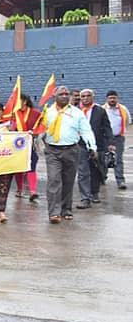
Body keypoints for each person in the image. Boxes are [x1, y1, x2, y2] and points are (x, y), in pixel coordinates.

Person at [41, 86, 97, 223]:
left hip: (71, 150)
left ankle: (66, 209)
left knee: (68, 181)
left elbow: (86, 131)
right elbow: (40, 130)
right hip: (53, 151)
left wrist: (92, 147)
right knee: (54, 180)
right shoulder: (47, 112)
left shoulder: (77, 113)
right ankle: (54, 213)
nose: (65, 96)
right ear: (55, 96)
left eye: (67, 94)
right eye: (61, 94)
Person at [76, 88, 115, 208]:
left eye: (88, 96)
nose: (85, 98)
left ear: (93, 97)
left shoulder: (100, 111)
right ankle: (85, 197)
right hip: (80, 145)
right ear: (80, 98)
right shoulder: (75, 111)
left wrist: (110, 142)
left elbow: (107, 127)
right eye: (83, 96)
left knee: (96, 170)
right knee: (83, 172)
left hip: (97, 145)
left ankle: (94, 193)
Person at [9, 94, 42, 201]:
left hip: (30, 144)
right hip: (16, 145)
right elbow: (10, 128)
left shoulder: (35, 114)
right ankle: (19, 189)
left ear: (25, 101)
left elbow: (41, 126)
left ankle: (33, 191)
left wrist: (36, 132)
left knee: (31, 166)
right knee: (18, 168)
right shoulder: (13, 114)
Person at [103, 90, 129, 190]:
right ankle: (102, 178)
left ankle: (120, 181)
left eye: (114, 98)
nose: (112, 100)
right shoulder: (102, 109)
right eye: (110, 98)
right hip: (105, 138)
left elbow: (127, 122)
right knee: (104, 159)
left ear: (117, 98)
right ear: (107, 99)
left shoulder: (123, 109)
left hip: (118, 138)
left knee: (118, 159)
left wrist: (121, 133)